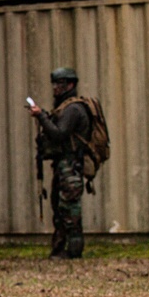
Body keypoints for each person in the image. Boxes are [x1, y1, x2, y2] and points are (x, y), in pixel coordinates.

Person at [29, 67, 91, 259]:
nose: (55, 88)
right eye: (54, 84)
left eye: (60, 84)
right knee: (59, 207)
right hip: (64, 165)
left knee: (69, 209)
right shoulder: (66, 108)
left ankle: (73, 252)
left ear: (70, 85)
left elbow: (58, 134)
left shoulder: (73, 109)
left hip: (70, 166)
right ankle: (59, 250)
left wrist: (41, 116)